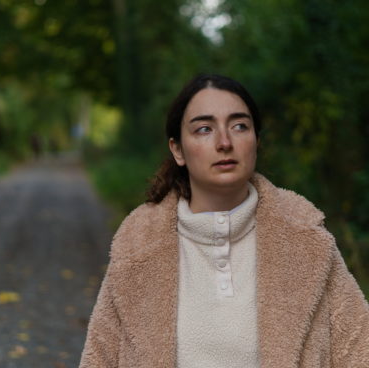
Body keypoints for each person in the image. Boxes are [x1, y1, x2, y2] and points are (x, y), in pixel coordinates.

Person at [79, 74, 369, 367]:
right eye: (204, 129)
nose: (224, 142)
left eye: (239, 126)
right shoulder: (137, 247)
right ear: (177, 149)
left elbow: (360, 350)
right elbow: (98, 359)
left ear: (256, 141)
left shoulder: (307, 240)